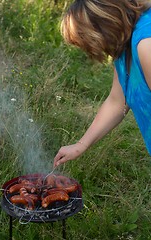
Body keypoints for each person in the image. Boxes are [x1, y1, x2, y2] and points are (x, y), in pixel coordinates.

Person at [54, 0, 151, 167]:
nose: (89, 49)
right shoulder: (124, 49)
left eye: (86, 40)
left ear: (102, 26)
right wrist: (80, 145)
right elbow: (117, 101)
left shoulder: (146, 43)